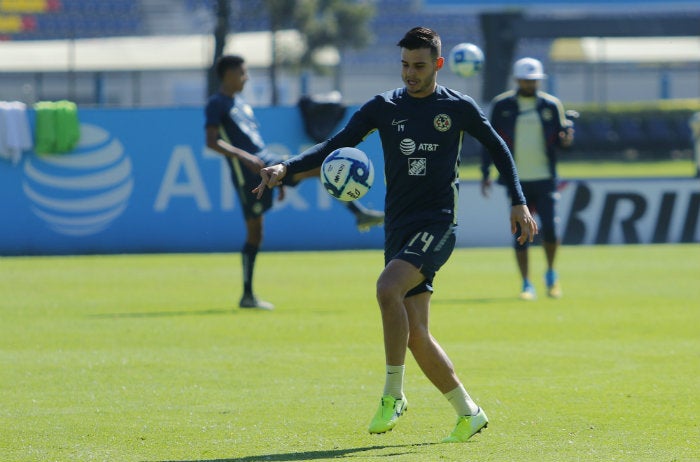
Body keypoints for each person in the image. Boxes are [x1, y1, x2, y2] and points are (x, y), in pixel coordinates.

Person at [254, 27, 537, 442]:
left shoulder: (457, 107)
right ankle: (469, 412)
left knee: (387, 289)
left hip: (437, 224)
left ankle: (393, 393)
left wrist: (518, 200)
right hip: (399, 227)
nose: (410, 74)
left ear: (438, 65)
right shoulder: (383, 107)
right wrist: (285, 167)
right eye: (405, 65)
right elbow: (336, 144)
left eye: (419, 66)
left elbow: (499, 148)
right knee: (416, 335)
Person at [205, 55, 384, 310]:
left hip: (267, 164)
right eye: (242, 73)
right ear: (228, 75)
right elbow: (211, 141)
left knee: (323, 167)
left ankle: (359, 212)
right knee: (255, 234)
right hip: (248, 175)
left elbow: (255, 143)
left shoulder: (242, 105)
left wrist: (277, 177)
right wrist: (245, 158)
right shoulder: (216, 104)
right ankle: (247, 295)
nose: (246, 78)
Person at [480, 57, 574, 301]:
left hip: (546, 178)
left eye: (534, 81)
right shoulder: (502, 106)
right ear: (517, 80)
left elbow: (562, 145)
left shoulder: (551, 105)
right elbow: (490, 142)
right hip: (516, 182)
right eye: (526, 80)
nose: (530, 84)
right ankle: (526, 283)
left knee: (550, 229)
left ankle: (551, 274)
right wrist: (485, 172)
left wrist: (566, 140)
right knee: (521, 233)